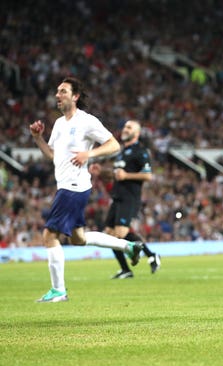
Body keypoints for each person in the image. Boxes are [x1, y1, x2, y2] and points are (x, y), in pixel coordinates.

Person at [29, 77, 143, 302]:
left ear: (75, 96)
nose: (57, 95)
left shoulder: (87, 121)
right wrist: (38, 139)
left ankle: (59, 290)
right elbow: (53, 155)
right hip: (66, 185)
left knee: (49, 236)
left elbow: (113, 145)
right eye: (57, 92)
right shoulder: (60, 124)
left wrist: (88, 154)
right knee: (78, 239)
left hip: (74, 187)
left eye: (63, 91)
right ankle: (128, 246)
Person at [89, 120, 161, 279]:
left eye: (129, 127)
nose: (125, 129)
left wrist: (127, 175)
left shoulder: (141, 151)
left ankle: (152, 255)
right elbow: (116, 175)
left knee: (121, 233)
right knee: (109, 234)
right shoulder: (121, 152)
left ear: (137, 133)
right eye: (125, 127)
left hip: (130, 197)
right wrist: (101, 171)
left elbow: (148, 175)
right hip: (117, 196)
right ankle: (126, 269)